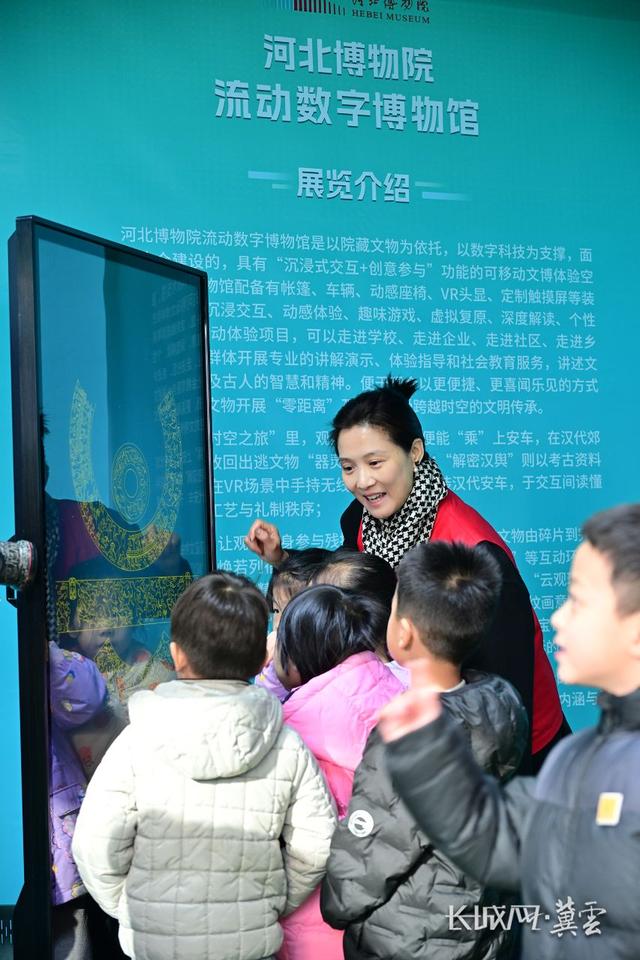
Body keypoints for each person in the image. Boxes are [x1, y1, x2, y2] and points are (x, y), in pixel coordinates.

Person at [245, 375, 567, 773]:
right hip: (429, 729)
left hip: (514, 748)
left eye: (375, 463)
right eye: (348, 467)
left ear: (414, 451)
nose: (363, 481)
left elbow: (506, 689)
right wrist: (282, 559)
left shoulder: (474, 554)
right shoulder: (360, 520)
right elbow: (349, 585)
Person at [378, 503, 640, 960]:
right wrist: (427, 754)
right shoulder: (574, 755)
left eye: (578, 601)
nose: (558, 618)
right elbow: (501, 837)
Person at [72, 572, 337, 960]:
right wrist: (271, 903)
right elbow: (317, 844)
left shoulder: (136, 741)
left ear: (176, 655)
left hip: (157, 946)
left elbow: (93, 845)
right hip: (250, 947)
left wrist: (132, 908)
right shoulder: (286, 744)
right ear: (261, 659)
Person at [321, 540, 528, 959]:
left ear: (404, 632)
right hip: (481, 932)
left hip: (409, 939)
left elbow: (371, 851)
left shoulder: (407, 736)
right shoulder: (500, 706)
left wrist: (336, 901)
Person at [274, 584, 405, 960]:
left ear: (298, 655)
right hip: (392, 918)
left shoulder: (296, 733)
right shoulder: (398, 694)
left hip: (319, 921)